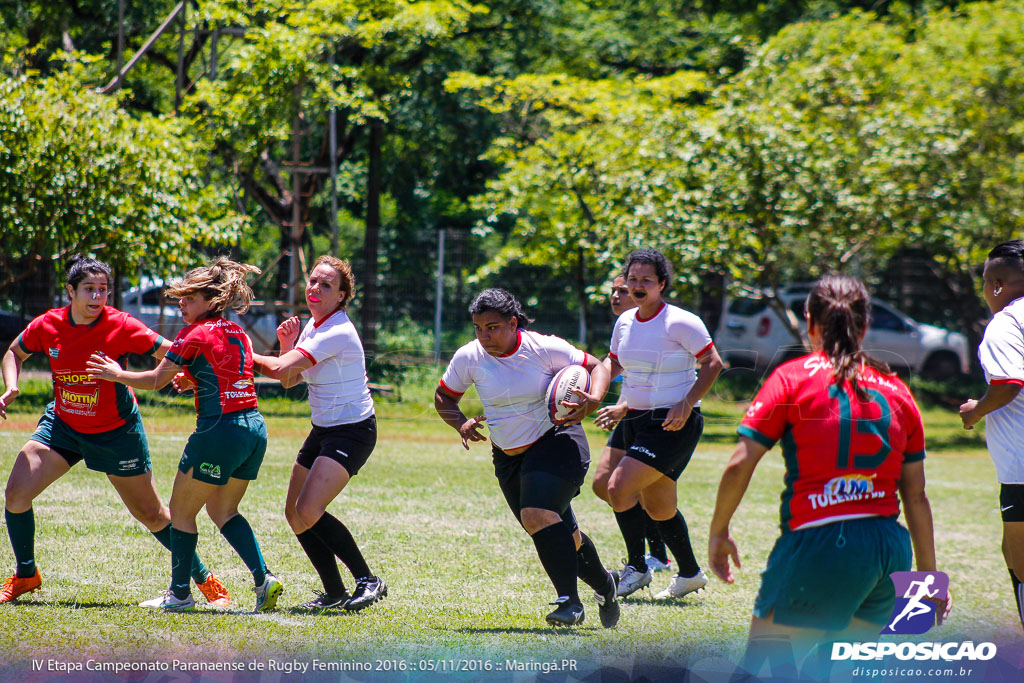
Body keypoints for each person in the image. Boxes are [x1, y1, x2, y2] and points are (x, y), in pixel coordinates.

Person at [709, 275, 947, 674]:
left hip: (822, 543)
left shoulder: (792, 377)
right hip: (889, 552)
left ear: (809, 321)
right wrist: (929, 581)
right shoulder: (898, 391)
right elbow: (916, 497)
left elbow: (739, 463)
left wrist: (718, 531)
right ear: (865, 325)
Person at [0, 256, 229, 606]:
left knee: (151, 515)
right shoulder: (50, 324)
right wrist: (12, 387)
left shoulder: (120, 325)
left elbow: (172, 351)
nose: (97, 297)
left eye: (103, 290)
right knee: (16, 494)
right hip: (63, 426)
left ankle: (201, 577)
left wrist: (185, 373)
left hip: (116, 432)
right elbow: (14, 353)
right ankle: (26, 574)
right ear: (70, 291)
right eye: (89, 289)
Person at [86, 257, 281, 612]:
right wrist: (193, 379)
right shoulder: (236, 331)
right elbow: (226, 374)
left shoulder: (192, 334)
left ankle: (179, 595)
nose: (181, 304)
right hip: (254, 429)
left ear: (210, 301)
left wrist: (116, 374)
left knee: (179, 511)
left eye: (189, 298)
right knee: (224, 510)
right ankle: (263, 578)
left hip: (219, 432)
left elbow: (157, 380)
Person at [434, 288, 620, 627]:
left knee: (536, 514)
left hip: (558, 440)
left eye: (492, 327)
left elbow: (598, 366)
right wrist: (460, 422)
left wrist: (592, 399)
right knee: (563, 533)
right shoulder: (469, 357)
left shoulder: (543, 347)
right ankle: (606, 584)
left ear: (513, 322)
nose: (484, 335)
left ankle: (569, 604)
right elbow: (443, 397)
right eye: (478, 328)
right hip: (507, 456)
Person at [252, 255, 386, 612]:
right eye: (313, 281)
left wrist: (236, 349)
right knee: (295, 514)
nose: (315, 288)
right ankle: (334, 592)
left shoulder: (337, 330)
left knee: (310, 509)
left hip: (353, 431)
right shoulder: (313, 326)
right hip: (324, 429)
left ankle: (367, 580)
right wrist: (287, 344)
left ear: (341, 296)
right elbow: (287, 378)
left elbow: (279, 369)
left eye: (326, 285)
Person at [601, 249, 723, 599]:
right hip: (637, 419)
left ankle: (637, 567)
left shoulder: (680, 321)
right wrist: (589, 388)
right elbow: (612, 365)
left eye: (646, 281)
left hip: (673, 422)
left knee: (617, 487)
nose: (638, 286)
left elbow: (713, 363)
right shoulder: (624, 322)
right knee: (659, 506)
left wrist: (685, 403)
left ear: (662, 284)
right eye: (633, 279)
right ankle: (689, 574)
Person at [960, 238, 1024, 631]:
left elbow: (1008, 383)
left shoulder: (1006, 324)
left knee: (1019, 559)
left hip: (1022, 468)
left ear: (997, 285)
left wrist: (975, 410)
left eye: (985, 281)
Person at [592, 275, 671, 573]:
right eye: (612, 290)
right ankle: (657, 555)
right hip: (630, 416)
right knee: (604, 485)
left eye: (622, 291)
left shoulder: (655, 327)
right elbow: (612, 364)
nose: (615, 295)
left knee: (635, 491)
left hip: (649, 418)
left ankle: (655, 558)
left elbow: (658, 379)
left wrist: (623, 407)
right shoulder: (624, 324)